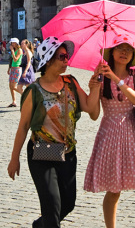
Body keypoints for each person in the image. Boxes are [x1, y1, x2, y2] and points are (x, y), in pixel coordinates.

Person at [7, 37, 100, 228]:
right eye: (62, 56)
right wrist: (14, 158)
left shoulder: (71, 83)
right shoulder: (34, 90)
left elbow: (93, 111)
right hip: (42, 152)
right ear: (48, 60)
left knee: (67, 204)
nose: (67, 60)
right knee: (52, 208)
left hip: (68, 153)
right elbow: (23, 126)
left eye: (67, 56)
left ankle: (39, 225)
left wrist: (96, 86)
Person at [84, 35, 135, 228]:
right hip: (109, 133)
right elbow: (94, 114)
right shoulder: (100, 76)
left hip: (134, 133)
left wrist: (116, 79)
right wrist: (93, 87)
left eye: (129, 49)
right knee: (113, 191)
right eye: (120, 48)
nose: (125, 52)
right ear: (111, 52)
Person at [7, 38, 23, 107]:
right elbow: (11, 61)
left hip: (17, 69)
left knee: (13, 86)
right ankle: (14, 101)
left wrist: (12, 51)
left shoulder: (19, 50)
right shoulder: (14, 50)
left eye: (13, 43)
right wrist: (9, 69)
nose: (12, 44)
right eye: (11, 43)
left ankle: (24, 94)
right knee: (10, 86)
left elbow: (15, 59)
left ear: (16, 43)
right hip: (13, 69)